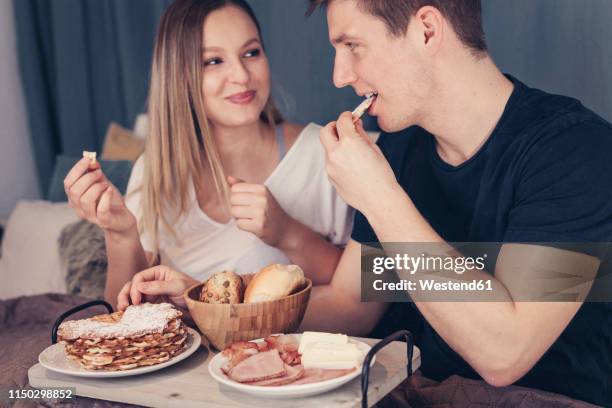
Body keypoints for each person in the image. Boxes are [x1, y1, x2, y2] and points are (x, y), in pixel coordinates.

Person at [302, 0, 612, 406]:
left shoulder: (575, 150)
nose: (340, 76)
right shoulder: (400, 146)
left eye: (353, 46)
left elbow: (504, 354)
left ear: (427, 29)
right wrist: (224, 306)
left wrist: (379, 196)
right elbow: (352, 307)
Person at [62, 0, 353, 312]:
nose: (241, 75)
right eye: (214, 61)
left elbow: (362, 294)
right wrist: (120, 234)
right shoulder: (154, 171)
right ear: (180, 76)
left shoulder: (321, 151)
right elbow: (127, 318)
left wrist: (287, 232)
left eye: (251, 52)